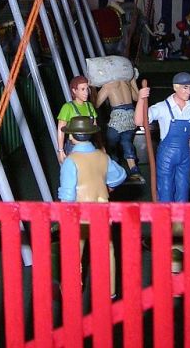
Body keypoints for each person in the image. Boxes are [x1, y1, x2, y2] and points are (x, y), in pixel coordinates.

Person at [57, 116, 127, 298]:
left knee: (73, 251)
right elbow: (120, 175)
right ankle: (109, 289)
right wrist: (107, 186)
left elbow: (67, 194)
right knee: (106, 250)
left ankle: (72, 287)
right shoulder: (103, 157)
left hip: (79, 212)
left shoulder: (71, 161)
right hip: (102, 209)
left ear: (71, 136)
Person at [134, 72, 190, 202]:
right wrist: (140, 100)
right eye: (185, 87)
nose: (189, 91)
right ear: (175, 87)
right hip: (166, 155)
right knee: (165, 188)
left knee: (183, 189)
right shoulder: (163, 107)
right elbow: (139, 121)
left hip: (185, 155)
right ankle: (165, 214)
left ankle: (181, 215)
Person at [95, 76, 143, 183]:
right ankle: (134, 169)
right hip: (131, 116)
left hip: (118, 117)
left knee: (110, 142)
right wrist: (132, 82)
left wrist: (93, 89)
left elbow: (96, 103)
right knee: (126, 142)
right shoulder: (126, 82)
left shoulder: (109, 84)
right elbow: (137, 97)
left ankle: (114, 166)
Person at [56, 75, 98, 164]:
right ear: (74, 91)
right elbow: (61, 129)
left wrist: (100, 144)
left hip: (89, 144)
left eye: (87, 89)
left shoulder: (89, 106)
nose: (86, 92)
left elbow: (95, 127)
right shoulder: (68, 107)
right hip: (74, 146)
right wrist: (60, 150)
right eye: (82, 89)